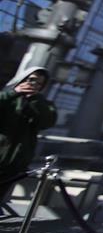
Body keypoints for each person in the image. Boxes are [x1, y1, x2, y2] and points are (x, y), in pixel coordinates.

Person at [0, 66, 57, 206]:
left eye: (39, 84)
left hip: (14, 162)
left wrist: (36, 101)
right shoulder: (6, 97)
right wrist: (13, 93)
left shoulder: (42, 103)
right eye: (31, 80)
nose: (34, 85)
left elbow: (47, 122)